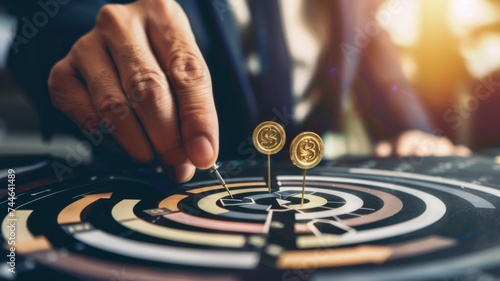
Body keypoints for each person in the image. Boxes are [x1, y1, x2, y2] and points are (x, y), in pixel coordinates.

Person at [4, 0, 469, 183]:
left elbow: (390, 85)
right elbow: (54, 23)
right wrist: (90, 56)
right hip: (158, 202)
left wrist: (422, 139)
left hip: (311, 218)